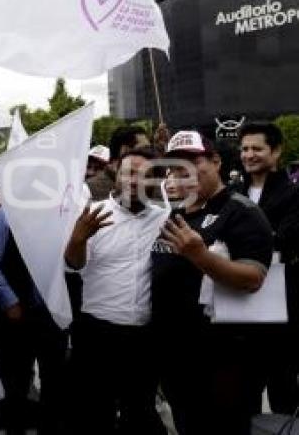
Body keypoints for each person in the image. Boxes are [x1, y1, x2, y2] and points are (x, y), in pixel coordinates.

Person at [152, 130, 273, 435]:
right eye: (176, 169)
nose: (184, 176)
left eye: (192, 165)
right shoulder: (175, 214)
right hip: (175, 353)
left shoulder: (241, 211)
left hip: (224, 358)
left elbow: (252, 278)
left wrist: (200, 256)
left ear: (216, 161)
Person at [65, 148, 167, 435]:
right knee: (95, 414)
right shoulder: (92, 215)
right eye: (128, 172)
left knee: (140, 411)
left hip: (144, 337)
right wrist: (77, 239)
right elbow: (73, 266)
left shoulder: (166, 218)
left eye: (144, 174)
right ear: (116, 175)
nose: (134, 180)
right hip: (97, 334)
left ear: (155, 180)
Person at [0, 207, 67, 434]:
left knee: (55, 385)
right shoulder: (5, 216)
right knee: (14, 386)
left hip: (53, 312)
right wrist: (9, 300)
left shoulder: (63, 215)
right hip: (16, 313)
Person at [239, 122, 299, 414]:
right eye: (245, 149)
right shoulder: (234, 192)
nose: (249, 155)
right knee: (243, 385)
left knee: (282, 383)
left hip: (281, 301)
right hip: (238, 301)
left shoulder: (293, 194)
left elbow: (285, 239)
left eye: (257, 149)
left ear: (275, 152)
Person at [87, 125, 150, 200]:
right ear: (125, 151)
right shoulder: (87, 191)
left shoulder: (151, 184)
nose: (150, 152)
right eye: (145, 148)